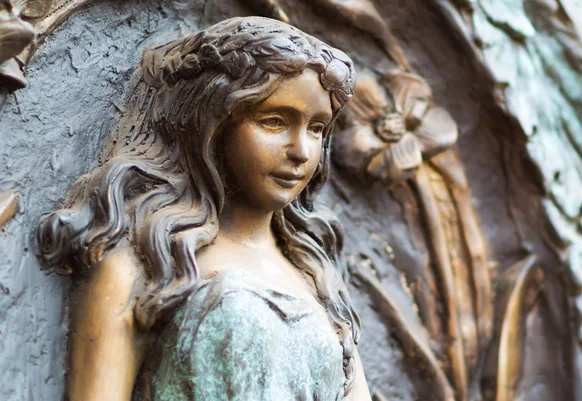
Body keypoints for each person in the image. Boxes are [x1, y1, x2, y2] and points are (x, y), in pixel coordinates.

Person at [37, 16, 371, 401]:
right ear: (213, 125)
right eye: (275, 121)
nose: (301, 151)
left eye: (316, 128)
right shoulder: (146, 266)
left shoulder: (316, 276)